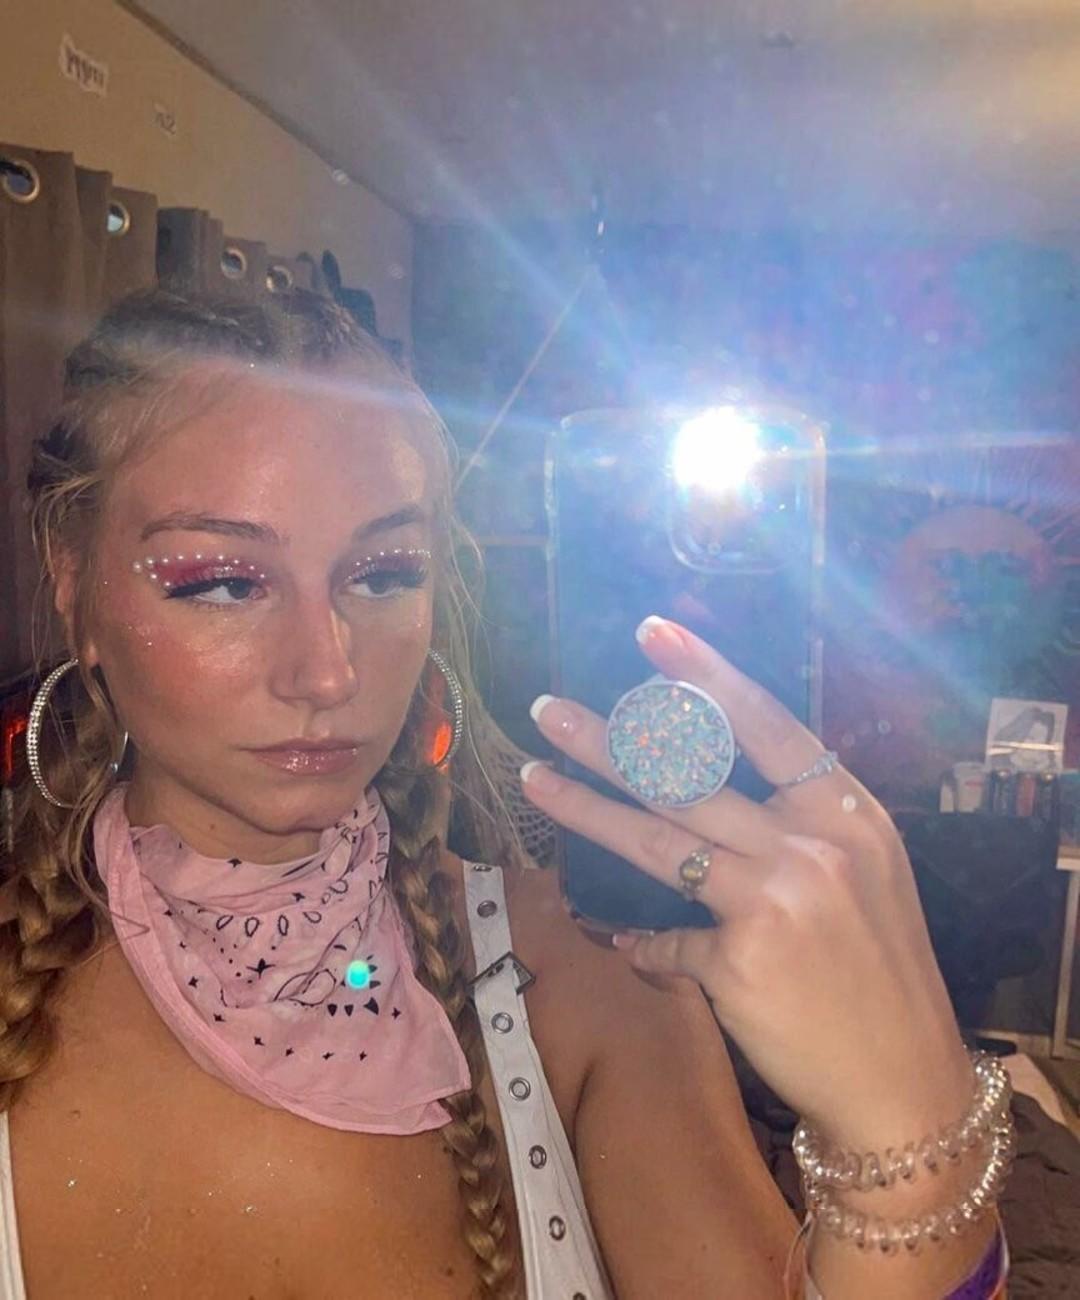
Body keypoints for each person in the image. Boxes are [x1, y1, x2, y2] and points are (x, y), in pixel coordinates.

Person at [2, 289, 1012, 1298]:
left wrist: (912, 1145)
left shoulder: (588, 971)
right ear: (71, 579)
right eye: (224, 580)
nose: (328, 672)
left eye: (383, 574)